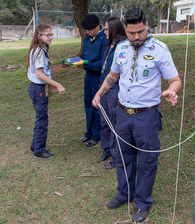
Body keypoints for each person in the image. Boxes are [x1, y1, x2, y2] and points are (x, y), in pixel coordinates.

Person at [92, 8, 182, 222]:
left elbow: (175, 80)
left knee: (147, 161)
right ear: (126, 30)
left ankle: (142, 203)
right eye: (132, 33)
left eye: (140, 32)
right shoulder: (121, 48)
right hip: (122, 114)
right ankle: (125, 194)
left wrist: (172, 91)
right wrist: (99, 93)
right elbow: (113, 75)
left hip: (146, 117)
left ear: (147, 26)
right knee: (123, 156)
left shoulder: (160, 49)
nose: (136, 37)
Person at [27, 24, 66, 158]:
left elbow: (44, 73)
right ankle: (39, 149)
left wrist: (51, 85)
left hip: (38, 88)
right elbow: (39, 74)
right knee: (42, 119)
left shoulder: (40, 48)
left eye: (51, 35)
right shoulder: (38, 51)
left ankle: (35, 144)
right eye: (47, 35)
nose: (50, 37)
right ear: (39, 35)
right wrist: (57, 84)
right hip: (38, 89)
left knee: (40, 118)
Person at [97, 17, 127, 170]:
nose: (105, 31)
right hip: (105, 88)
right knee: (104, 121)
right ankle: (106, 150)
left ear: (115, 29)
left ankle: (116, 156)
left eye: (107, 29)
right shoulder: (110, 44)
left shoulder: (123, 45)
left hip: (115, 89)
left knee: (114, 123)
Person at [78, 14, 108, 147]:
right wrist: (78, 62)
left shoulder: (104, 39)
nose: (87, 32)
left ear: (97, 27)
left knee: (96, 105)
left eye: (90, 30)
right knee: (88, 105)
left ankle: (97, 135)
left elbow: (103, 63)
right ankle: (88, 133)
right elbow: (83, 55)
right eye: (86, 30)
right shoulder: (86, 38)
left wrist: (86, 64)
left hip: (98, 77)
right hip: (88, 76)